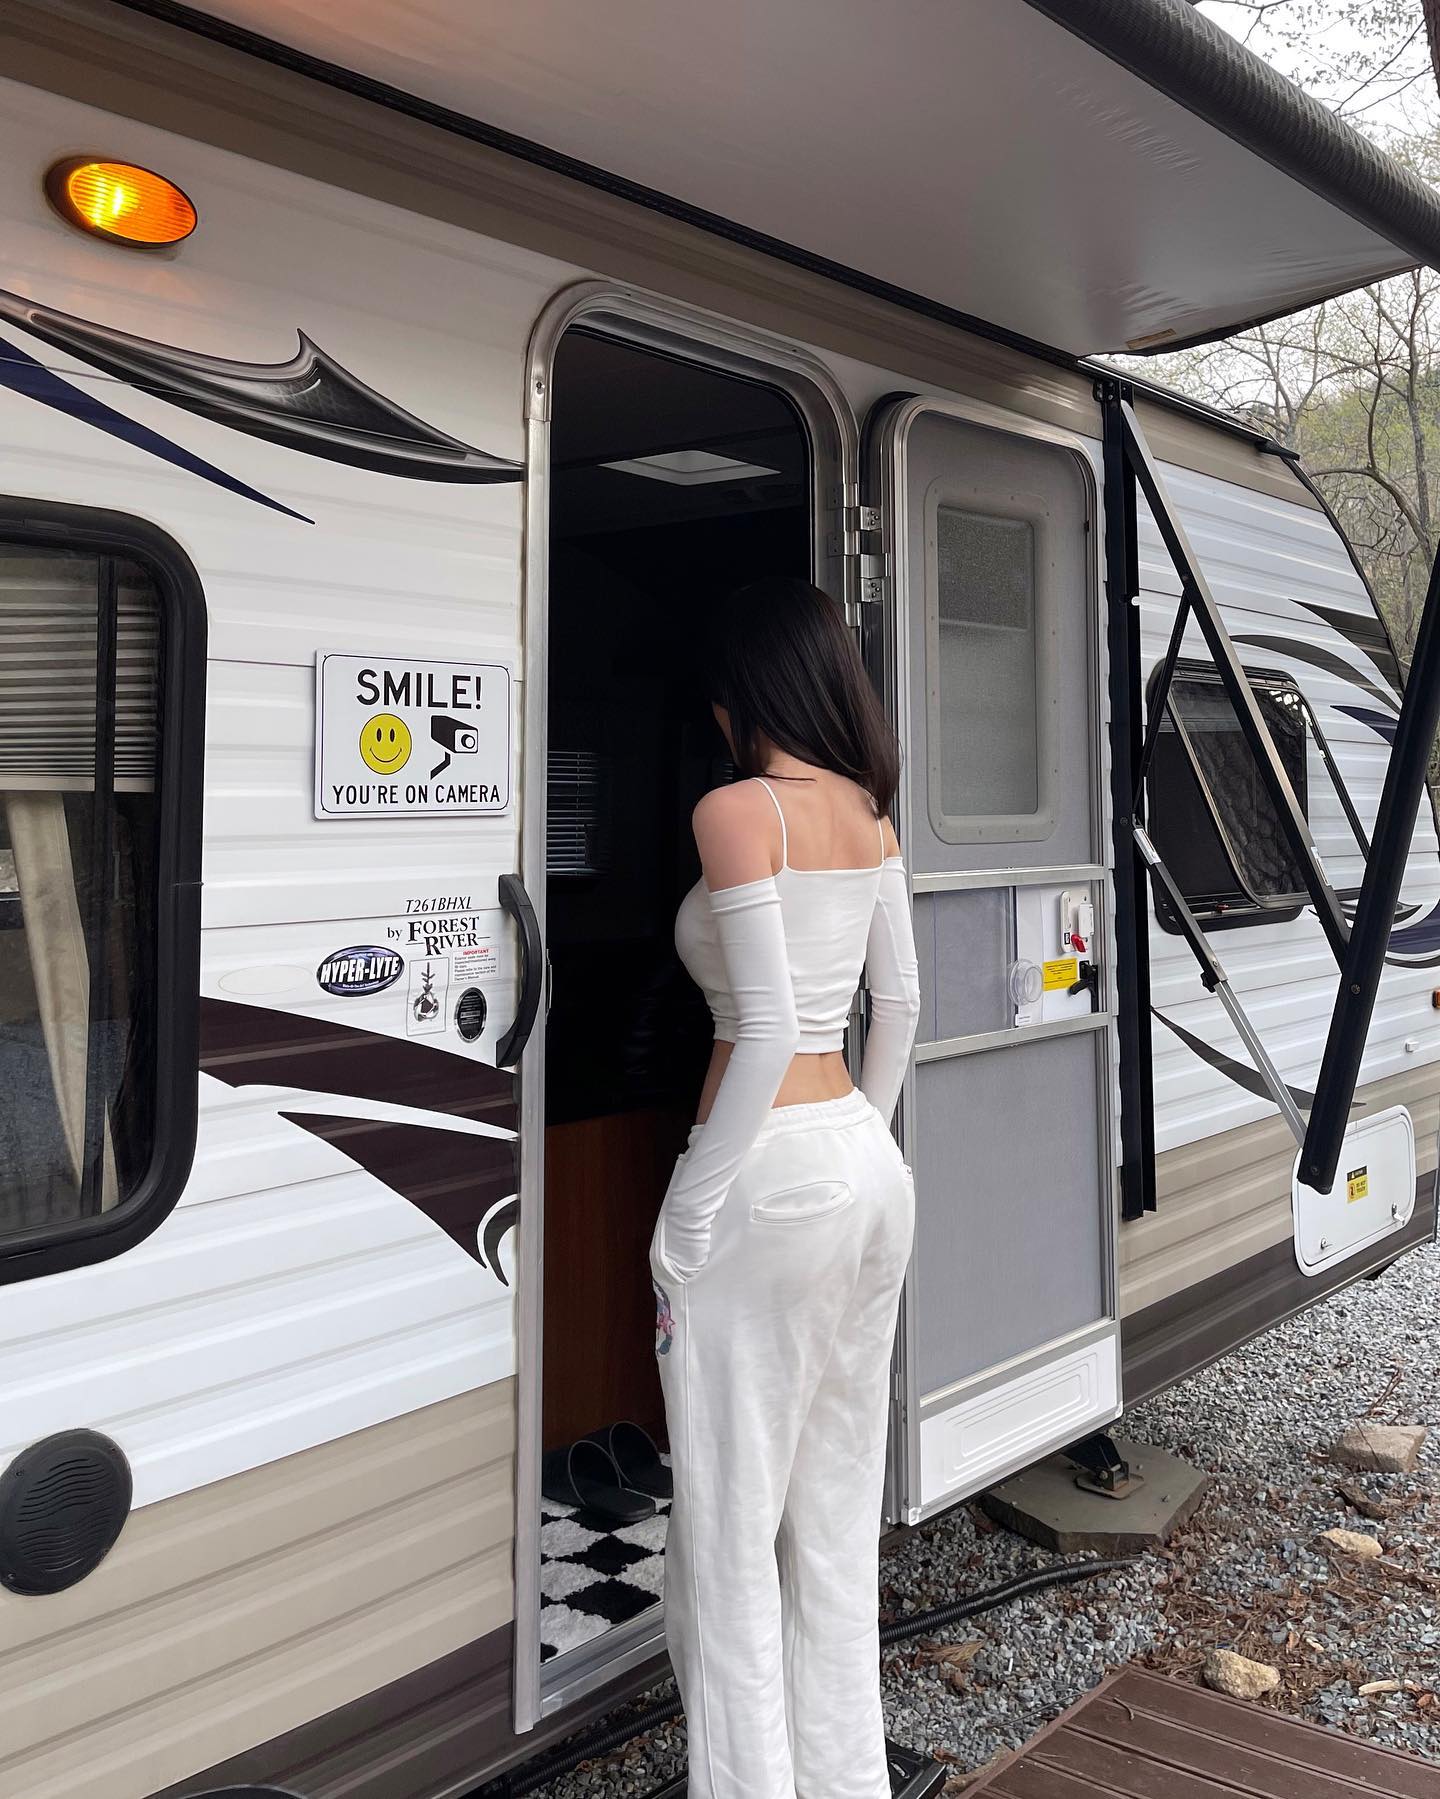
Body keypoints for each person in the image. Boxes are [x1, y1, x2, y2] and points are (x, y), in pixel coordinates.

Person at [650, 576, 922, 1799]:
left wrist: (687, 1211)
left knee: (727, 1530)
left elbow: (760, 1030)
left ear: (742, 691)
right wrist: (865, 1136)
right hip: (864, 1159)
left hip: (764, 1173)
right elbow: (898, 1004)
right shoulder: (869, 814)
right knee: (832, 1515)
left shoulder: (734, 811)